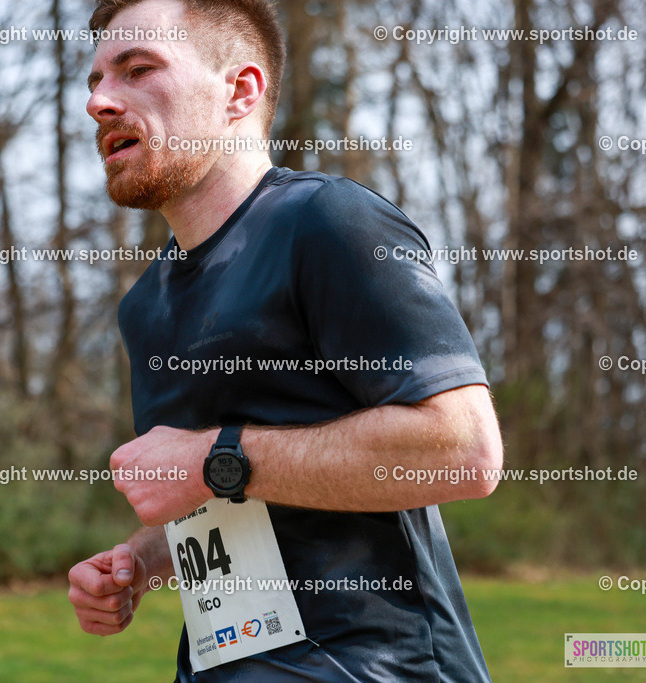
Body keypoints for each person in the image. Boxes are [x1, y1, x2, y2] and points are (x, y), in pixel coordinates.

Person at [68, 0, 504, 680]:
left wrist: (213, 459)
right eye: (96, 80)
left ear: (240, 91)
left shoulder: (328, 221)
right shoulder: (145, 304)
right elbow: (225, 490)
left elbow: (463, 451)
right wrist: (142, 561)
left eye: (138, 70)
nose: (99, 102)